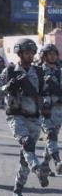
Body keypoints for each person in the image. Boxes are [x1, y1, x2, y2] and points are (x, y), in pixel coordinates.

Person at [0, 38, 50, 196]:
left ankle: (17, 190)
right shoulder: (10, 71)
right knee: (26, 143)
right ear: (19, 54)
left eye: (32, 53)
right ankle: (38, 169)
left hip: (34, 117)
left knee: (25, 157)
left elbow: (45, 93)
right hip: (16, 115)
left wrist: (46, 102)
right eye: (27, 53)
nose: (30, 56)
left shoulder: (39, 72)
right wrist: (7, 87)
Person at [39, 44, 62, 176]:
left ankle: (44, 164)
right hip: (44, 110)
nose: (53, 56)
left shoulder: (60, 71)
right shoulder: (38, 71)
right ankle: (57, 162)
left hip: (58, 111)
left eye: (54, 53)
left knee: (51, 138)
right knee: (51, 135)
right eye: (50, 53)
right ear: (44, 56)